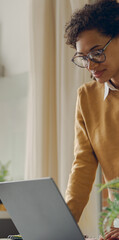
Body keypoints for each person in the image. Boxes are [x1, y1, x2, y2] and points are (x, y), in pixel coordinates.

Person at [64, 0, 119, 239]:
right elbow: (83, 166)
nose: (90, 65)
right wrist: (64, 223)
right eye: (83, 57)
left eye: (97, 52)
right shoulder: (87, 97)